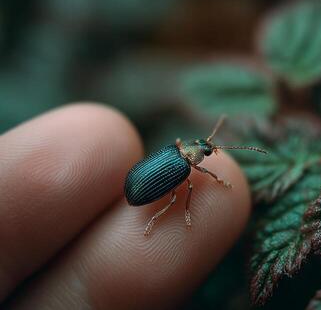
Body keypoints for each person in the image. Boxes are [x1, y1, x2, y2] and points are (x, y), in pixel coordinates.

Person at [0, 103, 251, 309]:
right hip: (139, 184)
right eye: (205, 148)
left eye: (206, 149)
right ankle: (165, 216)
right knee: (180, 195)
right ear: (197, 151)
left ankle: (160, 216)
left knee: (185, 190)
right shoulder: (185, 165)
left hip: (137, 179)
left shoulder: (176, 150)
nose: (207, 148)